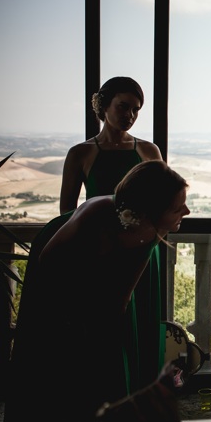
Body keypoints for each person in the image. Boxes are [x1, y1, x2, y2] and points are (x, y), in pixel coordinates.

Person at [3, 160, 190, 422]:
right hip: (58, 267)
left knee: (105, 350)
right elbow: (50, 264)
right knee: (58, 349)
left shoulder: (154, 228)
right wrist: (71, 319)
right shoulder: (98, 212)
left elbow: (124, 293)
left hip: (101, 279)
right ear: (152, 209)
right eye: (177, 207)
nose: (186, 211)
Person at [59, 76, 165, 391]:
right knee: (104, 329)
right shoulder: (80, 153)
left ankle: (142, 397)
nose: (129, 115)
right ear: (103, 106)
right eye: (123, 106)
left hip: (143, 253)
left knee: (141, 325)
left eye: (136, 109)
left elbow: (163, 202)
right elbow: (68, 212)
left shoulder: (148, 150)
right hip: (99, 255)